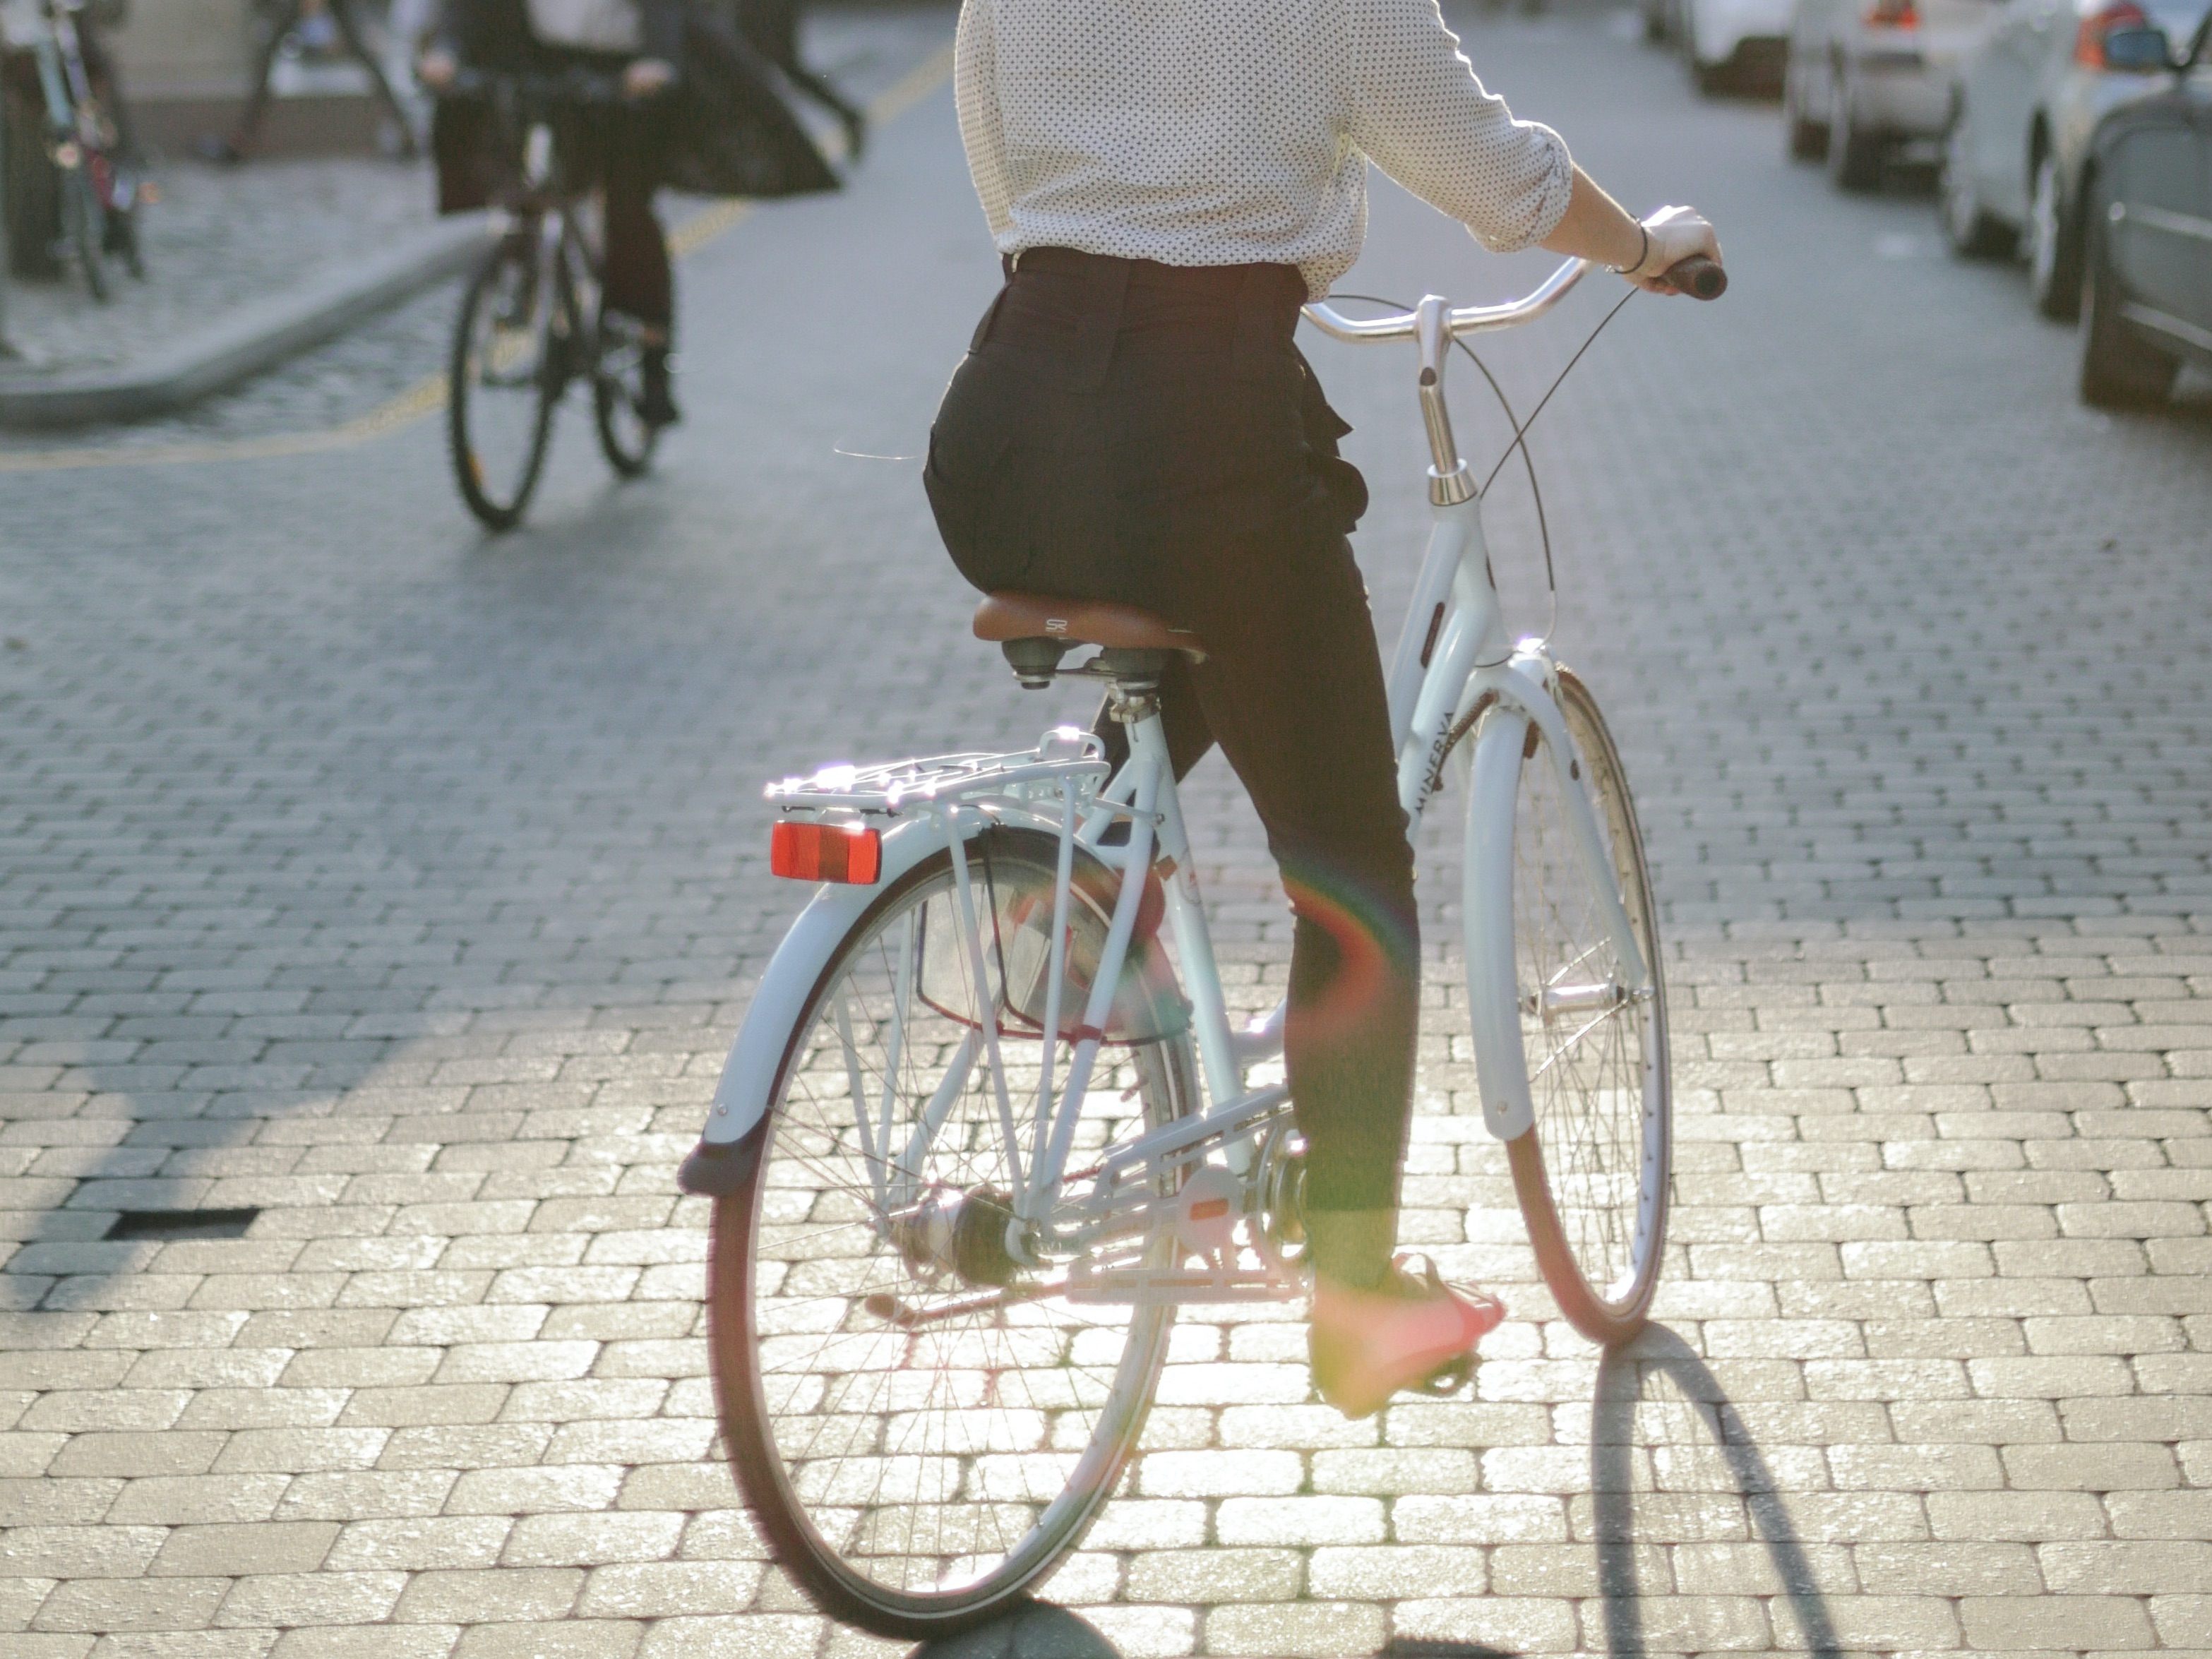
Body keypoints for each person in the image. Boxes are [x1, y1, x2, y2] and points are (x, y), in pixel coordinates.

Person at [925, 0, 1721, 1419]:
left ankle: (1080, 893)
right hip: (1210, 428)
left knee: (1208, 640)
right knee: (1350, 859)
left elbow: (1004, 176)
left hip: (1006, 428)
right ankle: (1356, 1297)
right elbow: (1500, 177)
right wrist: (1642, 249)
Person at [420, 0, 843, 429]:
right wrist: (448, 50)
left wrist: (659, 60)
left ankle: (653, 354)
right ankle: (535, 285)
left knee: (628, 211)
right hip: (542, 63)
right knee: (526, 187)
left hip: (627, 72)